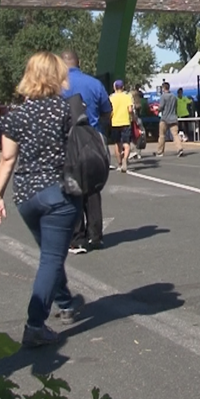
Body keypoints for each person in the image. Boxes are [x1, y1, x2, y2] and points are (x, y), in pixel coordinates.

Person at [0, 52, 79, 347]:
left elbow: (7, 158)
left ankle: (65, 303)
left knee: (50, 253)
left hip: (26, 195)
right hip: (59, 192)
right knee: (52, 257)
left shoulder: (15, 116)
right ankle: (35, 324)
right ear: (57, 76)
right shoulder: (67, 109)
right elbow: (82, 147)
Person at [59, 50, 112, 253]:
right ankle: (96, 236)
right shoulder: (95, 84)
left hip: (69, 145)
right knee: (93, 189)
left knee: (72, 189)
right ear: (78, 63)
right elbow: (107, 111)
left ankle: (77, 238)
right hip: (94, 143)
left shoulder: (57, 86)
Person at [107, 80, 134, 174]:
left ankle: (119, 163)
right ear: (123, 87)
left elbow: (109, 111)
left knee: (117, 144)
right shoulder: (127, 97)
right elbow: (130, 110)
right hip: (125, 122)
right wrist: (132, 116)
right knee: (126, 144)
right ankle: (125, 159)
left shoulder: (111, 97)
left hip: (115, 123)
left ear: (114, 87)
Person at [156, 82, 184, 158]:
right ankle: (179, 148)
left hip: (164, 118)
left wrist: (157, 110)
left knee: (162, 135)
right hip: (173, 118)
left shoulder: (163, 97)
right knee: (175, 134)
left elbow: (161, 107)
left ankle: (160, 151)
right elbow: (175, 107)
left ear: (163, 88)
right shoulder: (174, 97)